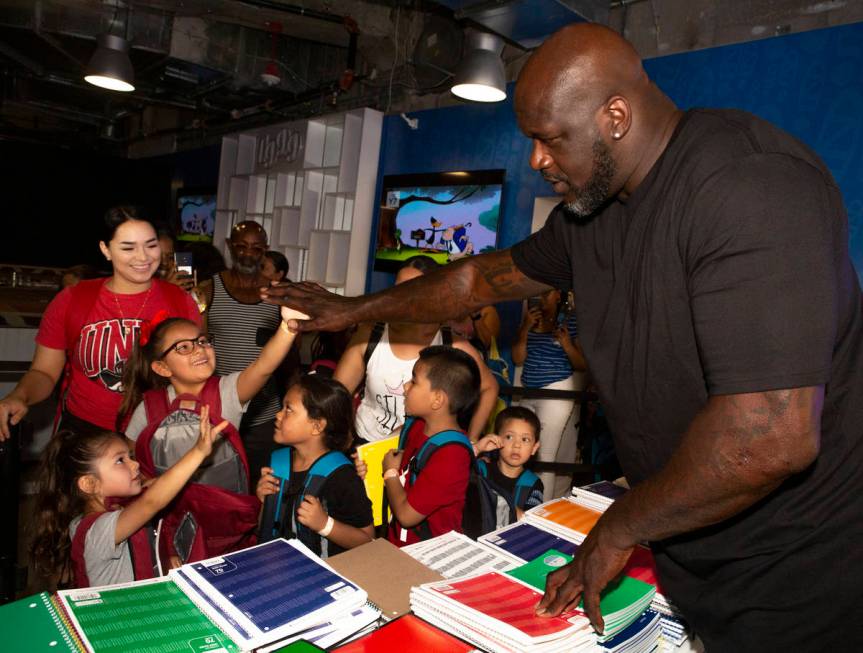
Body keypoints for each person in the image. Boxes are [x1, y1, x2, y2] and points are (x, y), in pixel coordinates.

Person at [262, 22, 863, 651]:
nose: (537, 161)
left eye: (549, 140)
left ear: (616, 116)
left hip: (804, 566)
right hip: (697, 547)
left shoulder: (750, 187)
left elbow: (770, 434)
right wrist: (353, 308)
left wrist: (620, 526)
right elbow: (479, 281)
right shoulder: (594, 212)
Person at [118, 306, 300, 565]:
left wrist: (287, 327)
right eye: (184, 347)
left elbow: (263, 367)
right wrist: (143, 482)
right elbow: (131, 463)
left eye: (202, 341)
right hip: (171, 523)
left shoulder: (227, 392)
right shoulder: (148, 408)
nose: (199, 349)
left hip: (226, 525)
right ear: (161, 367)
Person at [0, 206, 200, 440]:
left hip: (158, 434)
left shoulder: (181, 302)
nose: (143, 257)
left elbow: (194, 376)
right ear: (106, 249)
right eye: (128, 247)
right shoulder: (73, 300)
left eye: (151, 245)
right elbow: (44, 371)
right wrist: (19, 396)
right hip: (86, 435)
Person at [29, 411, 227, 588]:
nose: (135, 464)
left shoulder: (118, 508)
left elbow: (158, 487)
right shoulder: (96, 530)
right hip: (114, 620)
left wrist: (167, 557)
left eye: (130, 456)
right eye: (120, 460)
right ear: (90, 484)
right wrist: (198, 452)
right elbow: (152, 501)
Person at [334, 256, 498, 443]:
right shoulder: (372, 334)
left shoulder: (450, 344)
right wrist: (341, 434)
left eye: (412, 288)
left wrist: (473, 440)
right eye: (399, 287)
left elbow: (489, 387)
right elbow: (337, 394)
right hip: (365, 444)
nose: (402, 295)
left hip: (419, 450)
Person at [197, 221, 298, 487]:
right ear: (230, 247)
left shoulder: (277, 294)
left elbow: (291, 360)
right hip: (220, 409)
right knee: (218, 484)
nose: (247, 253)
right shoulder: (210, 289)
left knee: (263, 486)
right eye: (241, 246)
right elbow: (197, 347)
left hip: (265, 413)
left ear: (264, 250)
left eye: (255, 248)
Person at [256, 375, 374, 558]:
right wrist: (265, 502)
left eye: (288, 409)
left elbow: (367, 540)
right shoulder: (277, 465)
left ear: (317, 426)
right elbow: (264, 528)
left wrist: (325, 524)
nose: (278, 415)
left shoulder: (343, 478)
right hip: (276, 565)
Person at [378, 346, 479, 547]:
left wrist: (389, 472)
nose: (406, 387)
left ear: (437, 399)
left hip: (429, 556)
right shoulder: (416, 426)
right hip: (398, 545)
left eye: (414, 381)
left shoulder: (452, 455)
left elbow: (407, 516)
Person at [512, 288, 586, 500]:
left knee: (545, 456)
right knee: (525, 454)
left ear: (558, 296)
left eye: (546, 294)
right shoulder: (529, 321)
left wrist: (566, 344)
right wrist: (525, 329)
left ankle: (540, 510)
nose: (541, 298)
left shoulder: (570, 322)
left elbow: (581, 364)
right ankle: (521, 503)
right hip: (527, 392)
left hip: (556, 392)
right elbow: (518, 358)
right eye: (539, 294)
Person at [472, 405, 544, 520]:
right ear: (495, 439)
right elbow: (451, 474)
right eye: (509, 437)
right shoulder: (480, 469)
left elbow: (531, 522)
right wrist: (477, 449)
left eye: (525, 439)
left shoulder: (533, 483)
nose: (517, 445)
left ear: (534, 448)